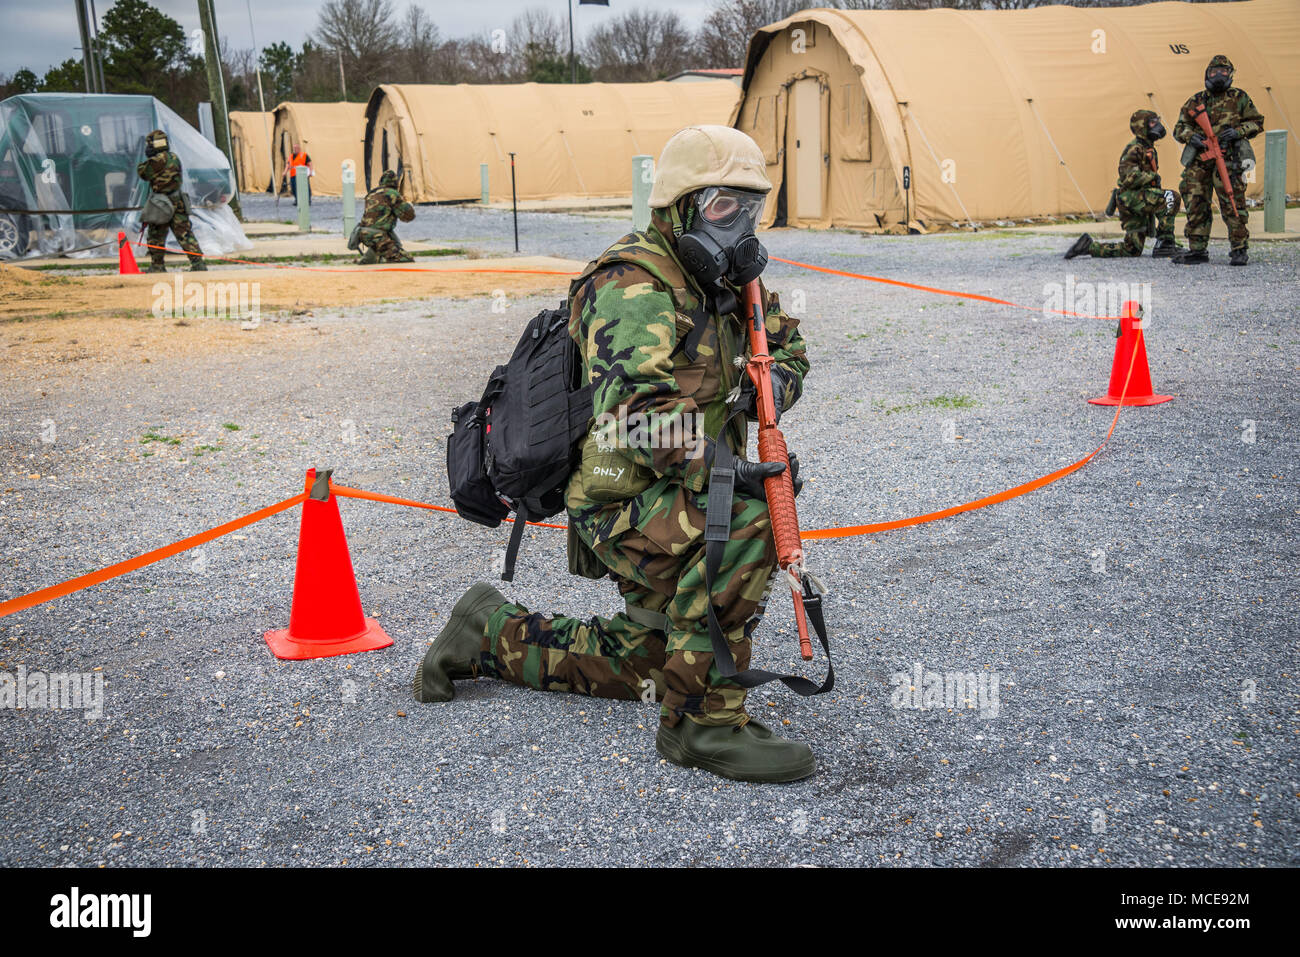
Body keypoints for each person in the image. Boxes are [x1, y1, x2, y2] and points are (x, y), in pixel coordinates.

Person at [412, 126, 818, 783]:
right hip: (620, 498)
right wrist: (731, 470)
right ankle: (702, 725)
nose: (740, 227)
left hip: (671, 491)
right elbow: (638, 413)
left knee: (651, 664)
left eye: (752, 209)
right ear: (677, 208)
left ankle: (488, 632)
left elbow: (789, 353)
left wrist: (759, 395)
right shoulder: (631, 282)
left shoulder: (729, 282)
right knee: (748, 515)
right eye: (722, 208)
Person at [1171, 54, 1265, 266]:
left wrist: (1238, 132)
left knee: (1233, 203)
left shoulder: (1239, 97)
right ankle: (1197, 249)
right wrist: (1191, 137)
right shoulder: (1196, 101)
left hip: (1229, 158)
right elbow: (1179, 127)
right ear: (1207, 74)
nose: (1219, 76)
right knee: (1196, 203)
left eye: (1224, 72)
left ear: (1231, 74)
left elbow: (1257, 122)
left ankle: (1239, 249)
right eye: (1214, 72)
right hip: (1199, 161)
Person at [1064, 110, 1181, 260]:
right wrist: (1152, 176)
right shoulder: (1135, 149)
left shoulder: (1147, 147)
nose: (1157, 126)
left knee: (1132, 249)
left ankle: (1088, 247)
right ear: (1141, 127)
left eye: (1157, 121)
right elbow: (1128, 178)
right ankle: (1165, 244)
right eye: (1152, 123)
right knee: (1171, 197)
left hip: (1133, 199)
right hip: (1131, 197)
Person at [135, 128, 205, 273]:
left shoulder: (156, 160)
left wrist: (148, 158)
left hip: (161, 203)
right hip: (178, 200)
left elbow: (143, 173)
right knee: (185, 234)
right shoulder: (174, 157)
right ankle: (198, 264)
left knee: (156, 235)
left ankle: (157, 266)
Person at [355, 170, 414, 264]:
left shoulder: (372, 193)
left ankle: (368, 260)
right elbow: (408, 216)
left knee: (382, 247)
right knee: (406, 260)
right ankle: (380, 261)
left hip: (363, 234)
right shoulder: (392, 194)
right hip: (378, 236)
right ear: (395, 183)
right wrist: (406, 203)